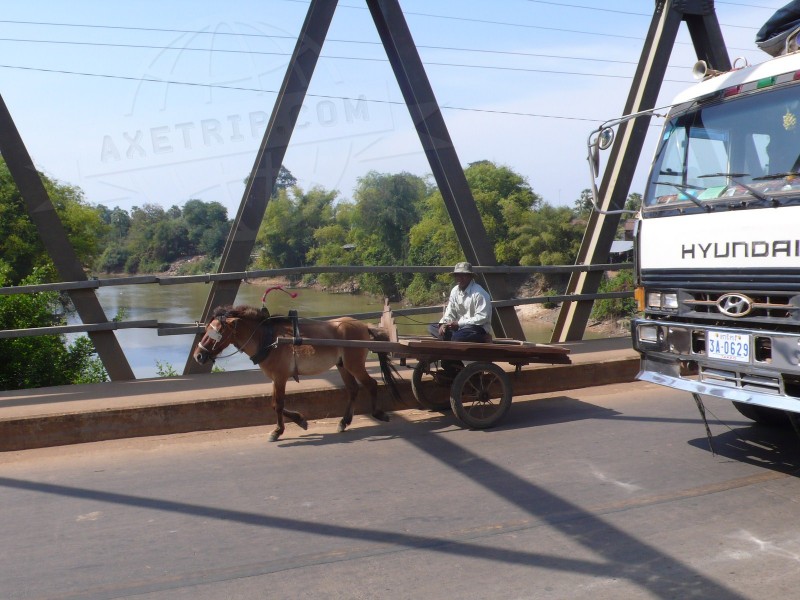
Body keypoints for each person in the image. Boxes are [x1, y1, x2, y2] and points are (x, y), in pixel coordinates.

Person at [428, 262, 493, 343]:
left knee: (458, 337)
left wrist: (459, 324)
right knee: (432, 327)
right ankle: (456, 338)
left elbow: (482, 318)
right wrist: (443, 324)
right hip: (459, 328)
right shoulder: (454, 291)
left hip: (476, 327)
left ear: (470, 276)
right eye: (457, 275)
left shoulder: (479, 293)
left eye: (463, 275)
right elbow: (450, 311)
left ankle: (483, 337)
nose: (459, 278)